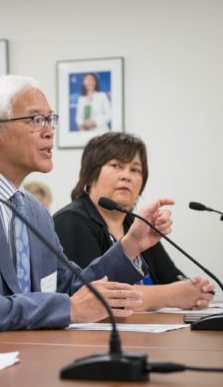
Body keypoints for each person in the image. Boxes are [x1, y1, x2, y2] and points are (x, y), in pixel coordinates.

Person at [0, 75, 174, 335]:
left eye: (50, 120)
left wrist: (130, 245)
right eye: (36, 120)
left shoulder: (34, 211)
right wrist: (69, 309)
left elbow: (67, 287)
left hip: (27, 354)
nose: (50, 132)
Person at [53, 132, 214, 311]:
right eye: (116, 165)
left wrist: (195, 290)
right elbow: (91, 297)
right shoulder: (70, 221)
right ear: (91, 174)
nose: (126, 176)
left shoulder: (136, 223)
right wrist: (173, 295)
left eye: (135, 169)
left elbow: (171, 277)